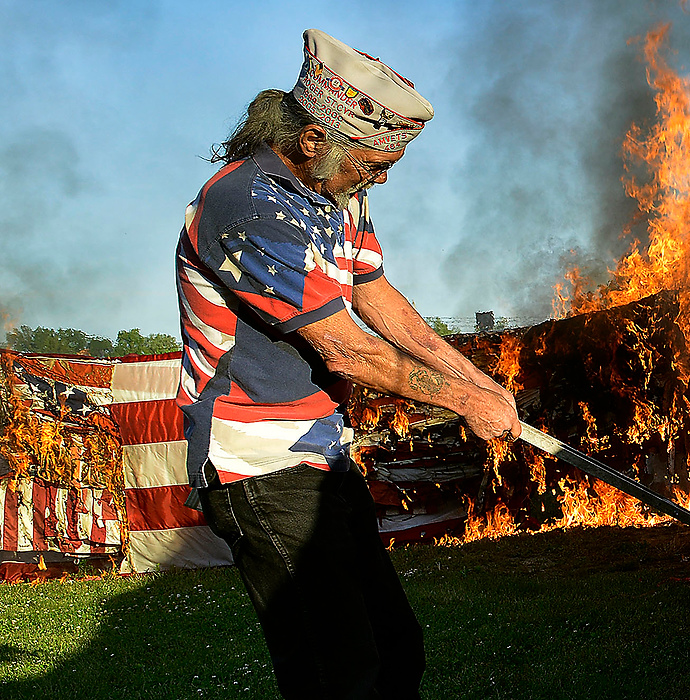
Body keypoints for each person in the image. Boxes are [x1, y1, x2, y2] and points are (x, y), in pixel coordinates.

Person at [175, 28, 521, 699]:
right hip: (257, 464)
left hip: (320, 456)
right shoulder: (246, 205)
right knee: (339, 674)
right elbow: (346, 347)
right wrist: (461, 402)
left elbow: (380, 302)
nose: (383, 175)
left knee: (394, 652)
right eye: (374, 160)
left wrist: (480, 383)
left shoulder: (339, 192)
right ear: (312, 141)